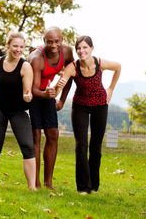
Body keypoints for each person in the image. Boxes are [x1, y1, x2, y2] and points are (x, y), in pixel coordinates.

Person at [55, 35, 121, 194]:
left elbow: (118, 67)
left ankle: (94, 185)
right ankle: (83, 187)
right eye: (78, 48)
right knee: (81, 145)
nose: (81, 50)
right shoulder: (73, 67)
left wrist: (111, 88)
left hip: (100, 105)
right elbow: (59, 88)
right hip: (80, 107)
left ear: (91, 48)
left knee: (95, 146)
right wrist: (58, 86)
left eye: (85, 47)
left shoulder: (99, 63)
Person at [0, 32, 36, 190]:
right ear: (8, 46)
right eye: (15, 46)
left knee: (27, 146)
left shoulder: (25, 66)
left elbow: (27, 92)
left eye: (21, 47)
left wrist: (28, 97)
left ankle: (32, 187)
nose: (18, 49)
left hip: (18, 111)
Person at [28, 26, 74, 189]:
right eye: (49, 42)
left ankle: (48, 182)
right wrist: (47, 95)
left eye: (57, 41)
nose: (53, 45)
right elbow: (33, 89)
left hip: (49, 93)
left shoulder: (67, 52)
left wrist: (61, 100)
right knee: (36, 137)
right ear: (44, 42)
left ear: (62, 40)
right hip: (34, 95)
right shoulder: (36, 58)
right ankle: (36, 182)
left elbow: (70, 76)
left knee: (53, 134)